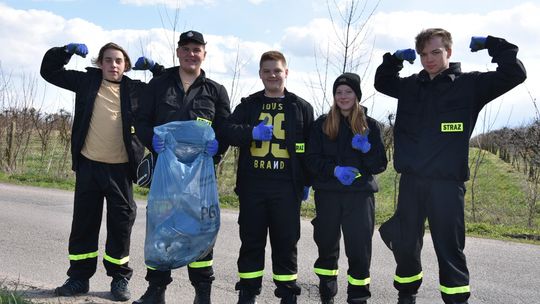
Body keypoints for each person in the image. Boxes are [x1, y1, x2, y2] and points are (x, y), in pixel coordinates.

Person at [374, 28, 526, 304]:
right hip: (411, 181)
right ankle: (406, 293)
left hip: (446, 183)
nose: (429, 59)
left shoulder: (470, 85)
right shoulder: (409, 87)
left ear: (449, 52)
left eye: (435, 52)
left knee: (449, 248)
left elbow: (514, 73)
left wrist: (493, 44)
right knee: (406, 244)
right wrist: (394, 59)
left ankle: (456, 299)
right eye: (423, 54)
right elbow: (382, 82)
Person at [40, 42, 164, 301]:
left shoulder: (137, 90)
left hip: (121, 170)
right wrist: (65, 51)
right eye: (108, 60)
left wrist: (154, 68)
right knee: (84, 223)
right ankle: (78, 279)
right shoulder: (86, 82)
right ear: (100, 63)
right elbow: (49, 71)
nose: (113, 65)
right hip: (89, 166)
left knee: (121, 225)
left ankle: (119, 279)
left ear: (126, 65)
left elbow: (166, 87)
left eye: (119, 61)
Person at [133, 30, 231, 304]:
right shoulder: (159, 85)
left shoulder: (215, 91)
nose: (191, 54)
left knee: (200, 228)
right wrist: (150, 140)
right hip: (165, 176)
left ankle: (202, 293)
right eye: (186, 49)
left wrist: (218, 147)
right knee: (161, 229)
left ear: (204, 54)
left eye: (196, 49)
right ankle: (156, 291)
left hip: (199, 179)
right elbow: (141, 119)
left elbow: (225, 128)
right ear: (178, 52)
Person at [223, 50, 314, 304]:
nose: (272, 75)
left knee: (286, 243)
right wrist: (251, 132)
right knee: (251, 241)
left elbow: (309, 148)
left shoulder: (301, 107)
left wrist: (306, 181)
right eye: (267, 71)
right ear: (260, 74)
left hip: (287, 188)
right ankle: (248, 291)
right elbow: (227, 131)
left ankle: (287, 294)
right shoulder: (250, 104)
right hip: (253, 186)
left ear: (286, 72)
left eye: (277, 70)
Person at [305, 73, 388, 304]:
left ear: (357, 95)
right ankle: (327, 295)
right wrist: (334, 171)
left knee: (359, 250)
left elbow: (379, 164)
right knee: (327, 247)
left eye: (348, 92)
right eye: (339, 92)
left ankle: (358, 298)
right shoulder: (321, 124)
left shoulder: (370, 126)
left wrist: (367, 149)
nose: (343, 96)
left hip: (360, 197)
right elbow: (310, 159)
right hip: (328, 194)